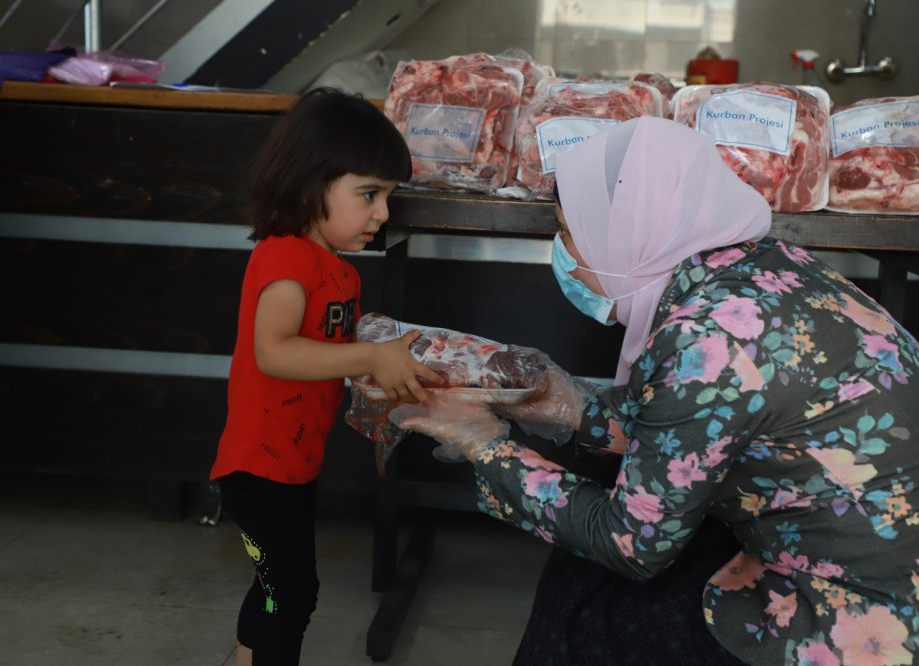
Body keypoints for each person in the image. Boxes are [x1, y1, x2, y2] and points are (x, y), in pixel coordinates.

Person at [392, 116, 919, 665]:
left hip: (865, 613)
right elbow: (697, 430)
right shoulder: (771, 268)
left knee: (588, 603)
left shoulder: (705, 339)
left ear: (629, 234)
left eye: (571, 233)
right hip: (871, 554)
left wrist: (485, 445)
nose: (566, 254)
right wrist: (565, 402)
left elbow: (633, 545)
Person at [210, 87, 441, 666]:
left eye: (387, 196)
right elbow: (276, 353)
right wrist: (369, 359)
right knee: (289, 591)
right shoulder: (283, 258)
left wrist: (390, 368)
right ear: (312, 183)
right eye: (369, 194)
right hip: (257, 467)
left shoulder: (339, 274)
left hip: (292, 464)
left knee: (277, 586)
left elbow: (331, 354)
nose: (383, 213)